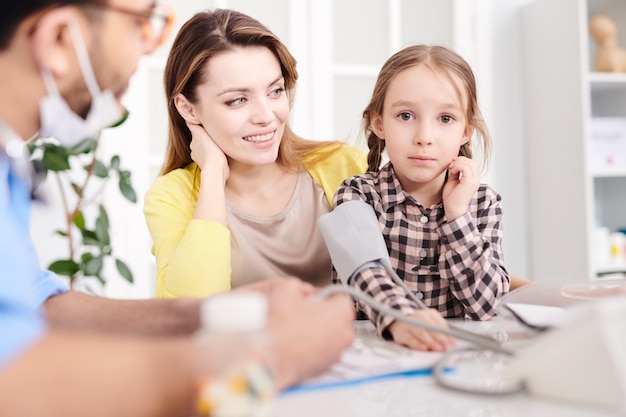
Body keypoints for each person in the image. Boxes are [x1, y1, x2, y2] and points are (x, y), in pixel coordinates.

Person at [0, 2, 355, 416]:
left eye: (275, 90)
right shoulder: (174, 193)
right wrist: (275, 357)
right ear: (60, 38)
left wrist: (207, 315)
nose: (149, 47)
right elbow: (15, 386)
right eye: (143, 24)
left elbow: (39, 302)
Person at [143, 9, 367, 299]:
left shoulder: (343, 166)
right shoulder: (171, 196)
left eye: (275, 91)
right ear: (188, 108)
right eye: (237, 100)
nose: (266, 116)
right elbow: (188, 309)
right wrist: (212, 174)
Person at [332, 45, 510, 352]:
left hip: (456, 361)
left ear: (466, 131)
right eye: (405, 115)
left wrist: (457, 216)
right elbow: (364, 273)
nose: (424, 136)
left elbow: (488, 306)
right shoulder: (357, 194)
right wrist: (403, 316)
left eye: (445, 118)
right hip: (375, 364)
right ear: (379, 123)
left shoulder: (482, 203)